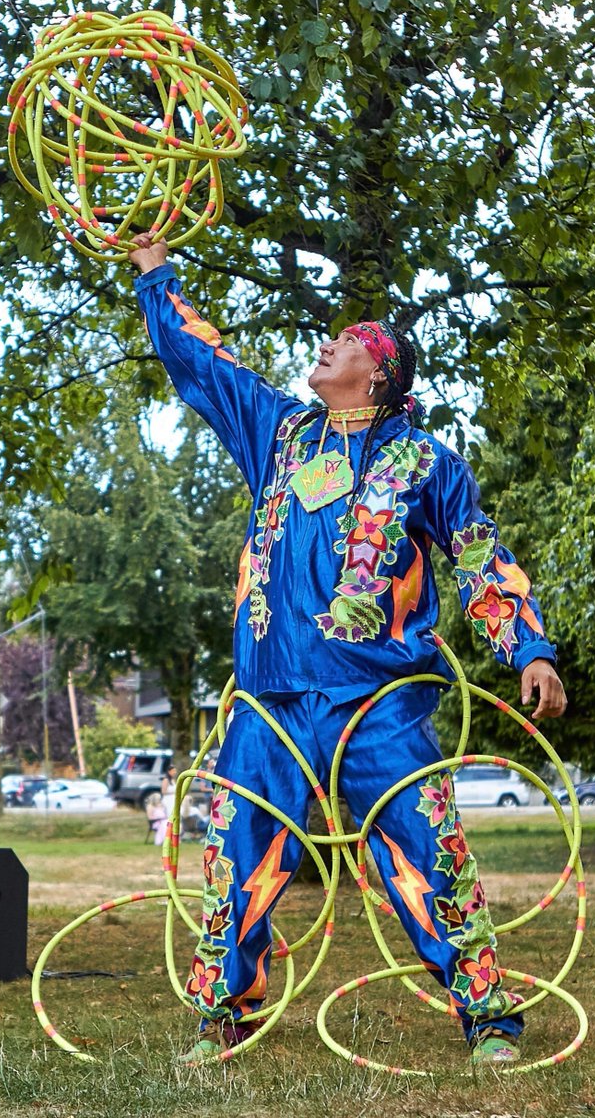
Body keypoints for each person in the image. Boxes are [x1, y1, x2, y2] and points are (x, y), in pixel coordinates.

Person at [129, 235, 567, 1067]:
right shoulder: (277, 434)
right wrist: (157, 273)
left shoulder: (427, 463)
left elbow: (479, 558)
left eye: (349, 341)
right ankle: (225, 1016)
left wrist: (528, 649)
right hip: (271, 697)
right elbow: (201, 362)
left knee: (425, 848)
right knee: (239, 855)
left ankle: (490, 1021)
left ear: (378, 375)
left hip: (379, 703)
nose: (327, 344)